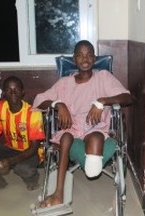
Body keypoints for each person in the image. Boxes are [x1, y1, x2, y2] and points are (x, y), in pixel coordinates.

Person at [33, 40, 133, 207]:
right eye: (80, 55)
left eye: (89, 55)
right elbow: (39, 100)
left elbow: (128, 97)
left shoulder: (103, 77)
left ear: (94, 58)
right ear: (74, 59)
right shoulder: (64, 83)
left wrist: (102, 101)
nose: (84, 59)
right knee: (65, 137)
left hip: (96, 128)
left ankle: (90, 163)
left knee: (94, 142)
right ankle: (58, 193)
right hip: (73, 129)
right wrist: (58, 104)